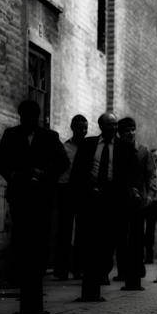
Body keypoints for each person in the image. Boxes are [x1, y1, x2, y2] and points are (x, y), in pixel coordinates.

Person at [0, 100, 69, 314]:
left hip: (42, 198)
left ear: (37, 117)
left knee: (40, 244)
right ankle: (26, 295)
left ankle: (34, 297)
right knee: (22, 242)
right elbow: (0, 161)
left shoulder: (50, 137)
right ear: (21, 117)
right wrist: (14, 175)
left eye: (32, 116)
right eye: (25, 116)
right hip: (20, 197)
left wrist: (45, 175)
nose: (28, 120)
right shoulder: (11, 135)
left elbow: (63, 162)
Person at [70, 112, 129, 296]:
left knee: (108, 237)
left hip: (113, 197)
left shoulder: (123, 147)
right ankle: (91, 272)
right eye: (109, 125)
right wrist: (82, 192)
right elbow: (78, 170)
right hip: (90, 195)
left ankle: (103, 271)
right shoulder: (89, 144)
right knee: (89, 236)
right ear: (101, 126)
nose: (113, 128)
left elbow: (130, 173)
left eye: (115, 125)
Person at [115, 117, 156, 289]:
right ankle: (122, 270)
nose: (131, 133)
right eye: (127, 130)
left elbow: (151, 175)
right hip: (120, 201)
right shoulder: (116, 150)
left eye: (133, 129)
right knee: (120, 237)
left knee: (138, 237)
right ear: (120, 133)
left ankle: (137, 269)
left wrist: (150, 196)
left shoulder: (143, 151)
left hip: (140, 202)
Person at [53, 114, 88, 280]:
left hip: (83, 191)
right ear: (73, 128)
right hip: (66, 190)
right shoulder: (65, 147)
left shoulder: (89, 148)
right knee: (64, 230)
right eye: (80, 128)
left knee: (82, 231)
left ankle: (79, 268)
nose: (83, 131)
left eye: (85, 128)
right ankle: (62, 269)